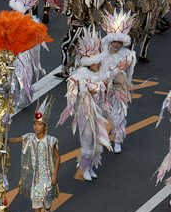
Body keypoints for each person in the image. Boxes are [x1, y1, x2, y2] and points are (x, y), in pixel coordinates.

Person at [57, 29, 112, 182]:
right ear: (89, 63)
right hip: (85, 114)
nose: (98, 64)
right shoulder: (78, 77)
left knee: (98, 145)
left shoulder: (103, 75)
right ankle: (84, 168)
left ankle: (90, 167)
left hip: (99, 113)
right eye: (95, 62)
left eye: (99, 62)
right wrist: (81, 92)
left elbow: (107, 92)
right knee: (87, 146)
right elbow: (71, 97)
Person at [8, 97, 59, 212]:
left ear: (45, 126)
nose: (36, 126)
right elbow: (17, 139)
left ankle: (47, 211)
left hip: (47, 174)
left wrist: (54, 175)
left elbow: (58, 158)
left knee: (47, 198)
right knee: (35, 198)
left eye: (39, 124)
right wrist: (5, 139)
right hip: (33, 174)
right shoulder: (29, 137)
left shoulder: (50, 141)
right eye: (35, 123)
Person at [100, 11, 136, 154]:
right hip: (103, 90)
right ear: (110, 42)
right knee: (100, 116)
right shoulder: (102, 54)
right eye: (114, 42)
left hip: (119, 90)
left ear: (123, 43)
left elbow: (125, 74)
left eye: (119, 42)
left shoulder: (127, 56)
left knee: (118, 117)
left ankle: (118, 140)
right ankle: (100, 138)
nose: (116, 45)